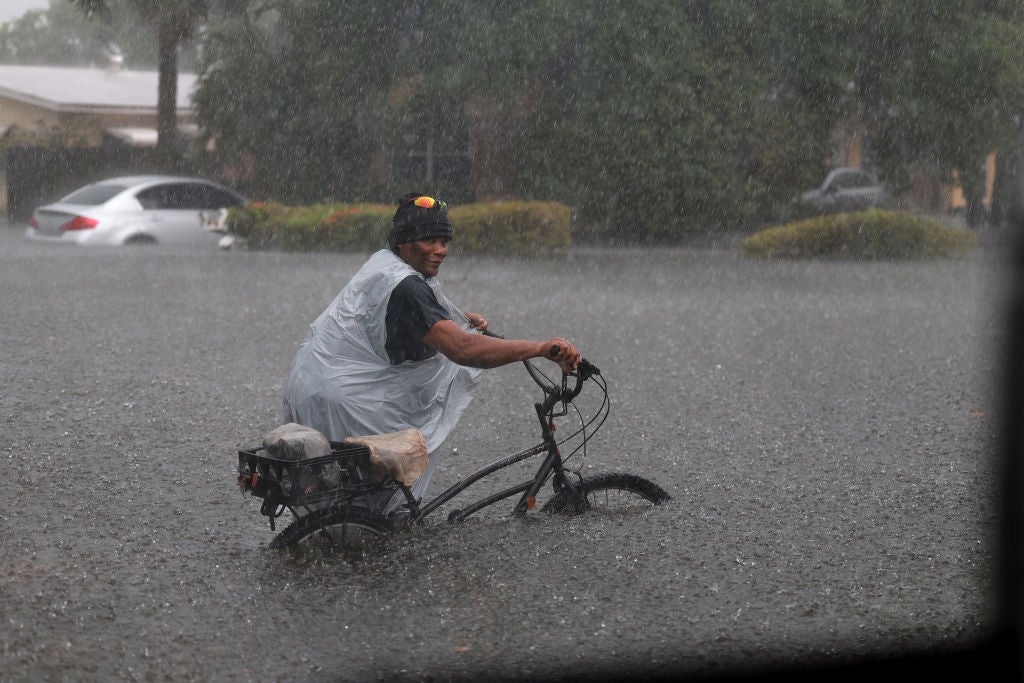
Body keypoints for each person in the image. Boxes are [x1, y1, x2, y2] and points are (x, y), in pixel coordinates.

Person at [283, 192, 580, 517]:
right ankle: (376, 549)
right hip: (346, 401)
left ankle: (351, 550)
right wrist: (538, 348)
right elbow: (462, 349)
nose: (441, 250)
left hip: (317, 384)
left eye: (444, 241)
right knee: (375, 500)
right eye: (430, 241)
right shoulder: (406, 286)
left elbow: (384, 316)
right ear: (405, 242)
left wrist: (450, 318)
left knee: (348, 494)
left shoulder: (384, 265)